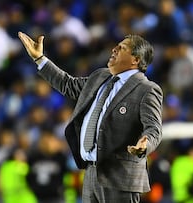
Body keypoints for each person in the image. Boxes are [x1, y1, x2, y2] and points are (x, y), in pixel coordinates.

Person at [18, 31, 163, 203]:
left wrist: (145, 144)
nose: (114, 49)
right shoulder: (100, 76)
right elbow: (68, 85)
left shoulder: (146, 89)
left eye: (122, 48)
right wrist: (40, 59)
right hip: (91, 172)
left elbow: (154, 128)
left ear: (136, 60)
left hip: (120, 177)